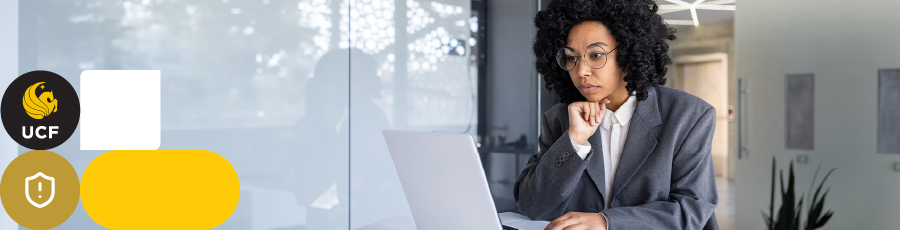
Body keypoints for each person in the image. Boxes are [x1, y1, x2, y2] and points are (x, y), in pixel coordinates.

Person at [513, 0, 718, 229]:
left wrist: (607, 222)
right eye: (572, 57)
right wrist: (574, 142)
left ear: (629, 54)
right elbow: (533, 205)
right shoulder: (559, 119)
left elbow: (692, 209)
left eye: (596, 55)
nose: (581, 71)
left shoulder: (688, 115)